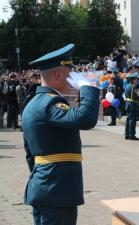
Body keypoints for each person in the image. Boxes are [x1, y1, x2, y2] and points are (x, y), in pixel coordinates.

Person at [22, 44, 100, 225]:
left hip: (46, 185)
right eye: (70, 74)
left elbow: (29, 154)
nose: (73, 79)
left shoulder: (33, 103)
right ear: (58, 75)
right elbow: (85, 119)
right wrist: (88, 86)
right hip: (57, 189)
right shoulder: (50, 103)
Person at [124, 72, 139, 140]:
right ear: (132, 80)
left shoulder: (127, 86)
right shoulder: (133, 87)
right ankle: (132, 135)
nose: (136, 80)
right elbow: (135, 96)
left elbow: (125, 95)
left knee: (128, 120)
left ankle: (127, 134)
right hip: (132, 104)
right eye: (135, 79)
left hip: (128, 103)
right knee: (132, 120)